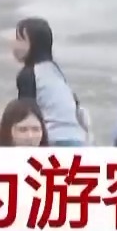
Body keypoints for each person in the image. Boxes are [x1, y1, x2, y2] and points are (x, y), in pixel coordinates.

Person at [12, 17, 88, 146]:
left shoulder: (28, 74)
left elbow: (25, 114)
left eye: (20, 39)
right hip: (78, 138)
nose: (15, 45)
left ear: (34, 45)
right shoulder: (54, 70)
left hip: (55, 139)